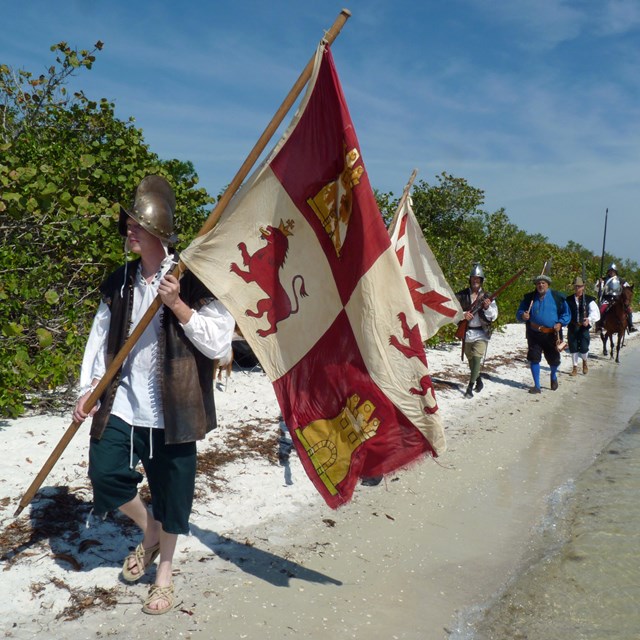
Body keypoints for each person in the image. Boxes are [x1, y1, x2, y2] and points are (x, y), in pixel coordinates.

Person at [72, 176, 235, 615]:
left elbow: (219, 345)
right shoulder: (120, 281)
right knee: (105, 476)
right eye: (127, 224)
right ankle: (149, 531)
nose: (128, 231)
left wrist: (179, 306)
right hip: (123, 402)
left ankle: (163, 575)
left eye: (136, 226)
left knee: (173, 496)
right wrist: (88, 389)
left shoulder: (193, 279)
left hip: (174, 410)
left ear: (158, 232)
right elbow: (100, 337)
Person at [516, 274, 571, 393]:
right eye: (538, 283)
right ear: (536, 285)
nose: (540, 285)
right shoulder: (529, 298)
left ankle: (553, 376)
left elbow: (566, 313)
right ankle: (537, 386)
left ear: (548, 284)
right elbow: (520, 312)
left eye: (543, 283)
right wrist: (522, 315)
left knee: (554, 359)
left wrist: (560, 323)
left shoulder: (557, 297)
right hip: (534, 333)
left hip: (552, 334)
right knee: (534, 358)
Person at [455, 264, 498, 398]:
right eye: (473, 279)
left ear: (481, 281)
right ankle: (478, 379)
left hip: (482, 333)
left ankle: (469, 387)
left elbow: (494, 315)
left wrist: (486, 308)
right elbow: (453, 313)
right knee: (471, 360)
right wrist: (463, 315)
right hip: (467, 332)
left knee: (477, 358)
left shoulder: (487, 297)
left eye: (478, 279)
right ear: (470, 280)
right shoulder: (461, 295)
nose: (475, 281)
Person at [565, 276, 599, 376]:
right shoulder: (568, 299)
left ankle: (584, 362)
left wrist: (589, 320)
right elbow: (565, 313)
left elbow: (594, 313)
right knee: (573, 347)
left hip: (584, 327)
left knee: (584, 347)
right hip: (572, 326)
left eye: (579, 286)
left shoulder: (588, 299)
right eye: (576, 287)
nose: (577, 289)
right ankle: (575, 367)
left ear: (583, 287)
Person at [597, 263, 636, 332]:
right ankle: (600, 325)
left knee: (628, 309)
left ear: (615, 271)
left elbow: (628, 288)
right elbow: (596, 288)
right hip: (607, 298)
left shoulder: (620, 280)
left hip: (618, 299)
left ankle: (630, 325)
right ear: (608, 271)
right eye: (610, 271)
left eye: (613, 271)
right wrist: (599, 284)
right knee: (602, 309)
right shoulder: (604, 279)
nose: (611, 272)